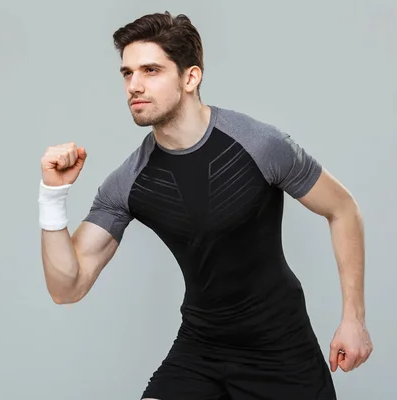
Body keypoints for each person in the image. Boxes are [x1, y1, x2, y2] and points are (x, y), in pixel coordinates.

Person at [38, 11, 373, 400]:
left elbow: (343, 209)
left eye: (151, 70)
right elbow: (68, 286)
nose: (134, 85)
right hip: (201, 348)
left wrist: (354, 319)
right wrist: (52, 194)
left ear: (190, 77)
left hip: (280, 349)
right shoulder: (129, 181)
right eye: (127, 73)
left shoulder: (259, 145)